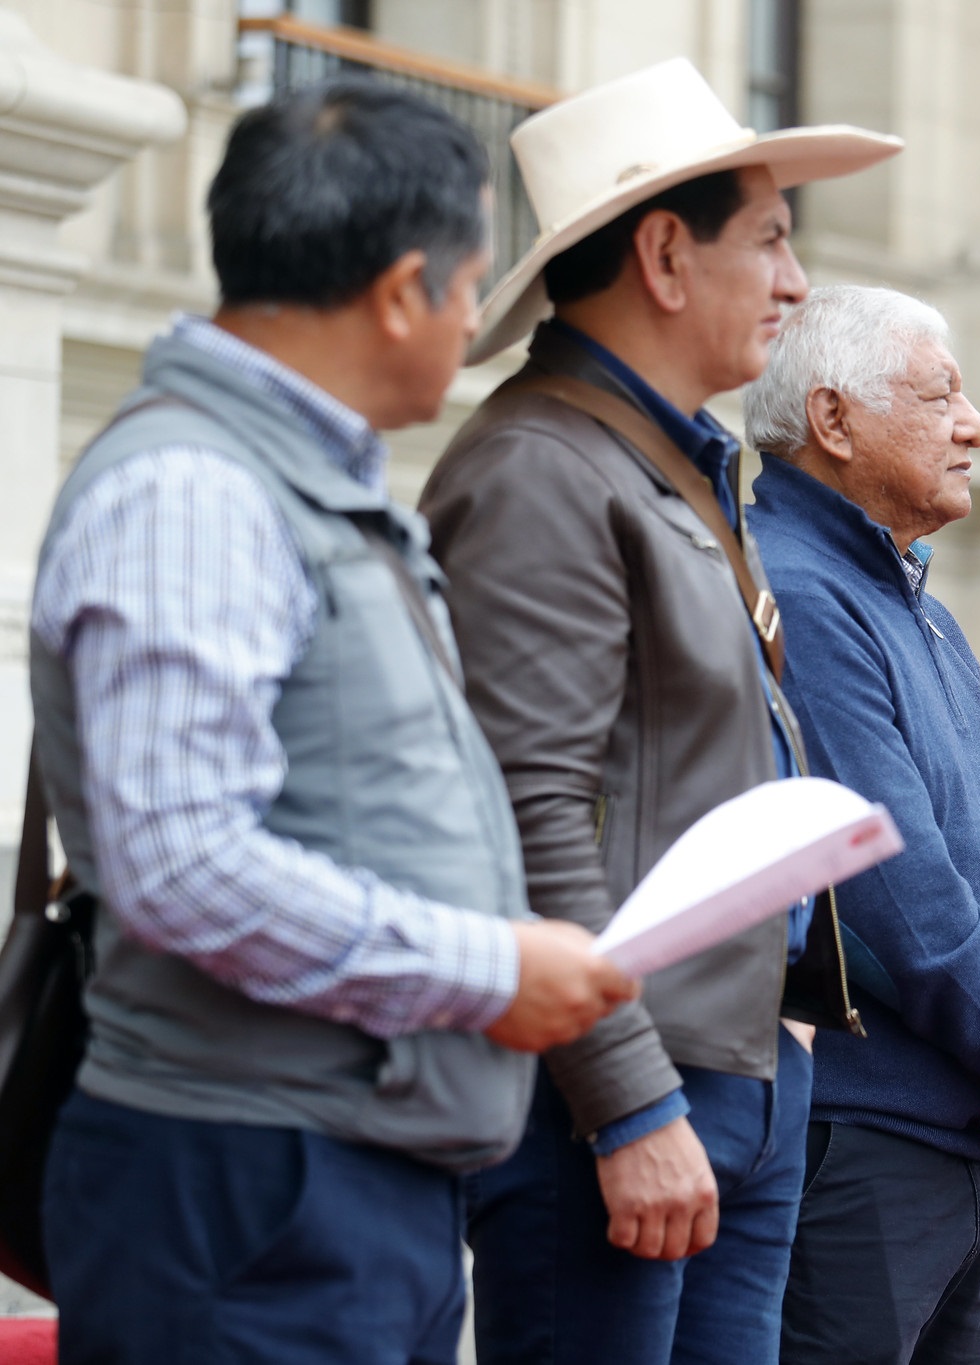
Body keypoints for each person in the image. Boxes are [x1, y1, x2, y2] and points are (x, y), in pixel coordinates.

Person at [28, 82, 636, 1363]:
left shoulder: (289, 477)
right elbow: (183, 862)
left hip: (333, 1173)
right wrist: (487, 969)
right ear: (405, 287)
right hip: (247, 1181)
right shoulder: (196, 489)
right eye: (475, 282)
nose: (480, 322)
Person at [417, 59, 900, 1365]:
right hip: (619, 1093)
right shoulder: (540, 468)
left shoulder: (660, 460)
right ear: (667, 258)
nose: (795, 284)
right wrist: (628, 1104)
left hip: (725, 1071)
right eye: (773, 242)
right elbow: (533, 809)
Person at [743, 284, 980, 1365]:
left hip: (962, 1126)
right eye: (940, 393)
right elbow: (890, 882)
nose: (974, 425)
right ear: (833, 419)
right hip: (858, 1139)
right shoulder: (797, 593)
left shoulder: (921, 609)